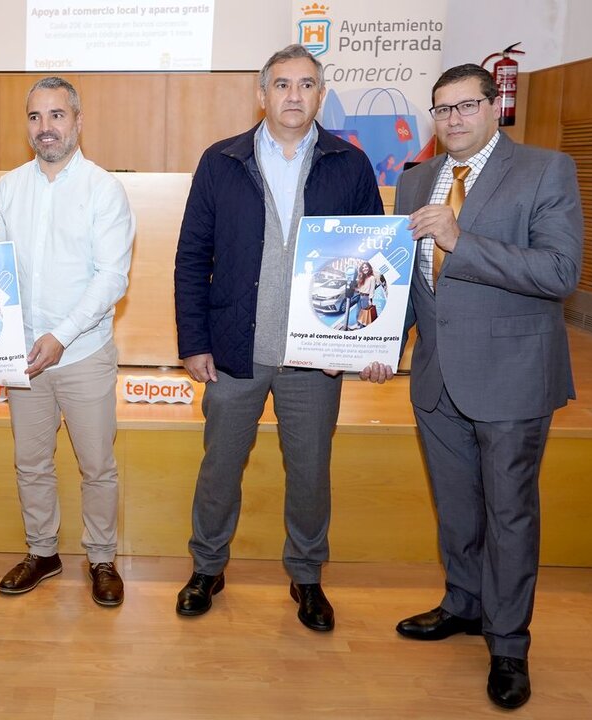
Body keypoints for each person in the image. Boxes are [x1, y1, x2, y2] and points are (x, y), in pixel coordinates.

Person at [364, 64, 583, 709]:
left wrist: (462, 240)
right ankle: (463, 604)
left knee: (509, 513)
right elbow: (403, 280)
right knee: (456, 508)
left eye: (466, 106)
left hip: (512, 375)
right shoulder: (414, 181)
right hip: (435, 377)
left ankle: (509, 643)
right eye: (441, 109)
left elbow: (560, 270)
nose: (452, 119)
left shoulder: (545, 171)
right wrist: (378, 343)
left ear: (495, 109)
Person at [173, 45, 383, 628]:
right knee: (219, 469)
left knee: (311, 472)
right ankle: (207, 567)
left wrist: (366, 345)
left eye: (307, 85)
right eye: (283, 85)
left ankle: (308, 578)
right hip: (234, 352)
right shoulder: (222, 161)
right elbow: (192, 256)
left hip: (316, 358)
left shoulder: (350, 164)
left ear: (321, 95)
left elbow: (375, 262)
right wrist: (194, 339)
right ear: (261, 95)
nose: (295, 96)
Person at [0, 76, 135, 607]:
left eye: (57, 116)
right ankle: (43, 552)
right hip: (23, 358)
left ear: (78, 121)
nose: (46, 128)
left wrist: (61, 337)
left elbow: (112, 278)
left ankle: (102, 558)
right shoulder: (8, 188)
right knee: (31, 462)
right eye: (36, 117)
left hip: (82, 353)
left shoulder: (104, 190)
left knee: (96, 465)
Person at [354, 261, 377, 328]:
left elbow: (372, 290)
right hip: (359, 296)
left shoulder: (372, 278)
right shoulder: (363, 277)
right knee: (358, 312)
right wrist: (356, 289)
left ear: (369, 268)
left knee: (364, 314)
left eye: (366, 267)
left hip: (366, 298)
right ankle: (358, 325)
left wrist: (370, 300)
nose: (364, 269)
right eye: (363, 267)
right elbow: (360, 288)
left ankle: (362, 327)